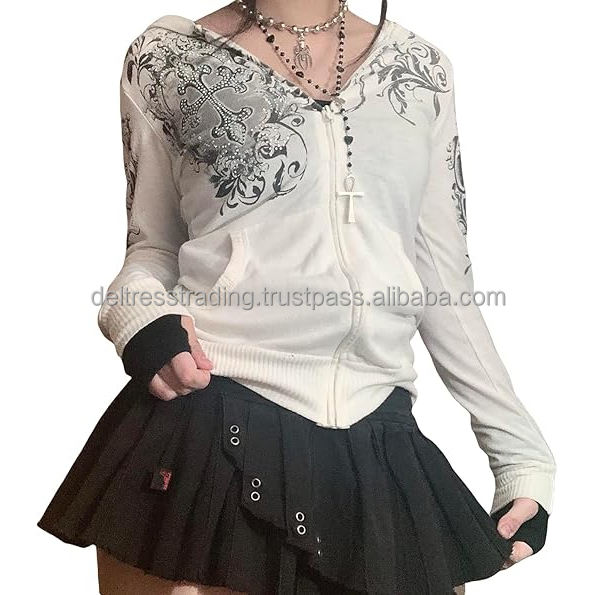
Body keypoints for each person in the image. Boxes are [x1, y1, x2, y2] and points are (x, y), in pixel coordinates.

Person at [37, 1, 556, 593]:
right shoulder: (168, 57)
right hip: (212, 419)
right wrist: (139, 318)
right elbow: (151, 246)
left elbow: (444, 279)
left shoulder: (420, 70)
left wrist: (521, 457)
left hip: (380, 437)